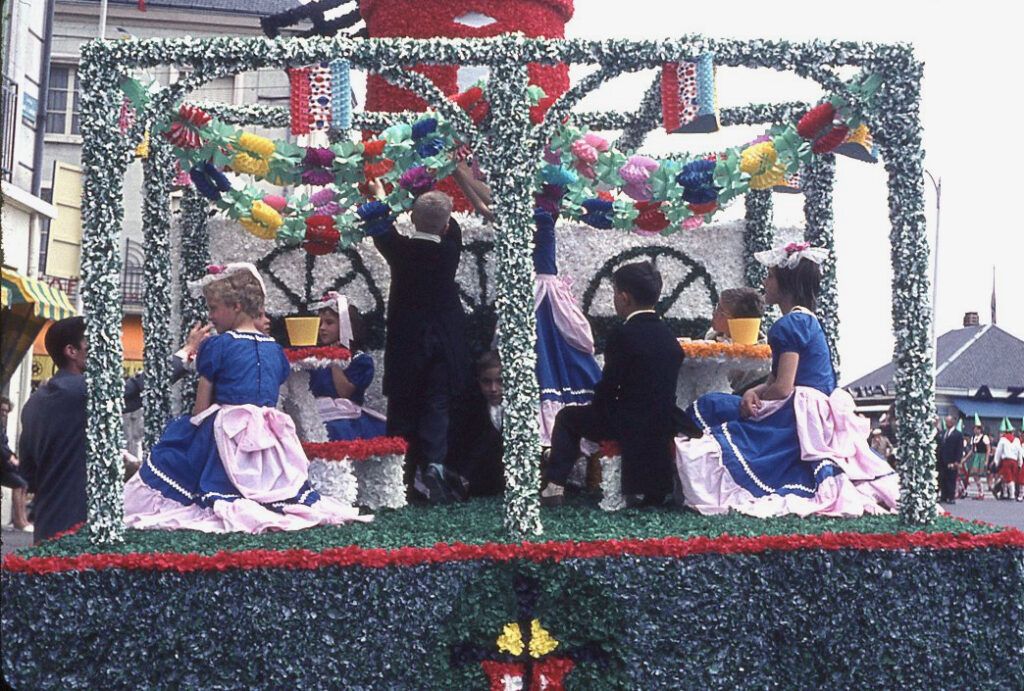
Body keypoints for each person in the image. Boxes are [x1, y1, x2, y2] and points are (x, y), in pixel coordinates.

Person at [123, 263, 370, 532]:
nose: (211, 316)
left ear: (236, 306)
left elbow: (200, 407)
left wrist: (194, 428)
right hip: (268, 430)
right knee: (276, 490)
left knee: (175, 454)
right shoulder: (275, 350)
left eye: (214, 308)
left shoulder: (217, 346)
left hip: (227, 427)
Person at [674, 242, 899, 517]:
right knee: (718, 405)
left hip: (799, 414)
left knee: (709, 407)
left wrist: (754, 395)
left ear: (786, 284)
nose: (765, 283)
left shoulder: (789, 325)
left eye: (770, 276)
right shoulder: (806, 320)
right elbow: (774, 379)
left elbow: (782, 387)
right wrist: (753, 391)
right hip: (813, 408)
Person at [451, 160, 603, 446]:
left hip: (540, 296)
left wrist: (460, 170)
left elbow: (495, 202)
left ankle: (555, 442)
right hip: (530, 293)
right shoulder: (525, 209)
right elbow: (486, 210)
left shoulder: (540, 208)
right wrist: (458, 174)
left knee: (545, 362)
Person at [540, 261, 694, 507]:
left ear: (624, 298)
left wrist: (597, 406)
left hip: (627, 422)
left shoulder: (622, 334)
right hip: (663, 420)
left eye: (614, 294)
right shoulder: (668, 336)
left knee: (568, 417)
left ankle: (554, 486)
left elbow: (610, 386)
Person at [361, 181, 468, 503]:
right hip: (444, 340)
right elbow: (448, 224)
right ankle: (434, 464)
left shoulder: (399, 250)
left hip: (407, 342)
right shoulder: (450, 250)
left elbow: (377, 221)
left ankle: (399, 477)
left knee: (403, 408)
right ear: (446, 224)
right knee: (437, 405)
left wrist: (379, 193)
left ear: (411, 217)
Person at [307, 291, 386, 441]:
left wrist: (334, 361)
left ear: (346, 326)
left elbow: (345, 393)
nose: (322, 328)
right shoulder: (313, 359)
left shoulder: (360, 361)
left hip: (345, 422)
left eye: (329, 323)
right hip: (314, 418)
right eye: (320, 323)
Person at [446, 350, 505, 498]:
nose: (493, 389)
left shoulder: (520, 408)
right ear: (478, 381)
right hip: (480, 480)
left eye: (500, 381)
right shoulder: (471, 408)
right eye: (487, 382)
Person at [1, 396, 31, 531]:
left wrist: (13, 457)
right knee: (19, 484)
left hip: (4, 465)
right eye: (2, 410)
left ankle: (23, 519)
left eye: (6, 411)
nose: (4, 413)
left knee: (23, 483)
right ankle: (19, 521)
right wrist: (10, 457)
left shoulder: (2, 427)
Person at [937, 413, 965, 504]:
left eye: (949, 421)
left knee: (951, 479)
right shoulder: (943, 433)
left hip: (952, 460)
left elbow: (959, 449)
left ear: (953, 422)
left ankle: (951, 496)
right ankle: (943, 496)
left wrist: (957, 461)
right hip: (941, 460)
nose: (947, 423)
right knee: (942, 478)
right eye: (946, 421)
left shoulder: (958, 434)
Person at [993, 424, 1021, 500]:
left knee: (1008, 478)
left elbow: (998, 452)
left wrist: (996, 462)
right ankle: (1005, 493)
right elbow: (1019, 452)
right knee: (1010, 477)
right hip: (1014, 461)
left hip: (1006, 461)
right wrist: (1020, 463)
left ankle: (1011, 494)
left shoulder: (1002, 440)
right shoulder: (1017, 440)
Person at [965, 422, 991, 500]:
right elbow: (972, 450)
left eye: (977, 429)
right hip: (976, 456)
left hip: (982, 456)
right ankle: (980, 491)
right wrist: (965, 458)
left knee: (978, 474)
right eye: (974, 429)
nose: (975, 430)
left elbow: (988, 449)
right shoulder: (973, 438)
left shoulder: (984, 437)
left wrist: (986, 460)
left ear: (980, 429)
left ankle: (981, 492)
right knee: (974, 474)